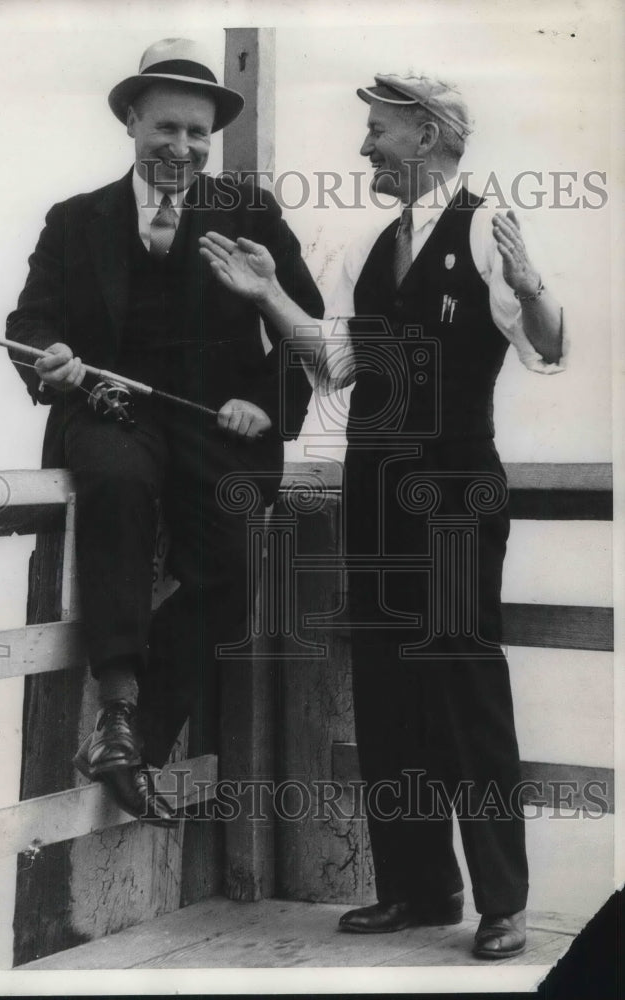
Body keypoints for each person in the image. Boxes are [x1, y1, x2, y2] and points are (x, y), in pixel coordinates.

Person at [199, 72, 565, 959]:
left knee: (463, 687)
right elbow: (336, 365)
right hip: (374, 486)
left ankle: (502, 903)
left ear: (429, 135)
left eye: (378, 132)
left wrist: (534, 284)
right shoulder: (374, 245)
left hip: (451, 490)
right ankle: (417, 888)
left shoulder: (483, 227)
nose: (364, 147)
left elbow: (547, 344)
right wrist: (266, 297)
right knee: (386, 686)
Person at [6, 38, 322, 824]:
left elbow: (304, 331)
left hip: (216, 425)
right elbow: (28, 322)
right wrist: (50, 359)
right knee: (114, 482)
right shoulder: (74, 220)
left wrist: (267, 407)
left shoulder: (250, 213)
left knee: (236, 569)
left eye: (197, 134)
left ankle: (131, 740)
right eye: (166, 129)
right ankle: (116, 705)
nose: (181, 148)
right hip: (111, 412)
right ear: (130, 122)